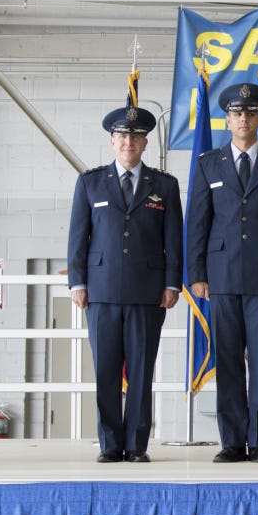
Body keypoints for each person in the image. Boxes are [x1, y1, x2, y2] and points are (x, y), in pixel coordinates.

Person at [185, 82, 258, 464]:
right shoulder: (208, 164)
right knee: (230, 362)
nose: (243, 119)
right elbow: (198, 224)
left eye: (250, 113)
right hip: (220, 279)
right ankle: (232, 441)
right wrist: (197, 274)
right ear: (228, 118)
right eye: (237, 113)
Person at [67, 105, 182, 463]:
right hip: (100, 292)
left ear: (145, 143)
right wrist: (77, 282)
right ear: (112, 142)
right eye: (122, 136)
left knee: (141, 370)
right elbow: (78, 237)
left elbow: (173, 239)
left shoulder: (164, 184)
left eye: (135, 137)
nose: (128, 142)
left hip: (148, 292)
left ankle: (136, 444)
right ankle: (109, 444)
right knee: (105, 371)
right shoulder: (90, 182)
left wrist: (172, 284)